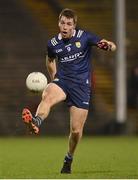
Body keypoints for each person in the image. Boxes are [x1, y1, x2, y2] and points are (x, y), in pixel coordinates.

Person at [22, 8, 116, 173]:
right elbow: (50, 60)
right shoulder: (53, 44)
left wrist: (107, 46)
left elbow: (113, 46)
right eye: (62, 23)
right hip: (63, 81)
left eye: (69, 24)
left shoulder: (85, 37)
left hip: (82, 87)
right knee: (48, 96)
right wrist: (54, 79)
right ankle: (36, 122)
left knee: (76, 131)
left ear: (74, 26)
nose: (65, 27)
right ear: (59, 23)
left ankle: (68, 159)